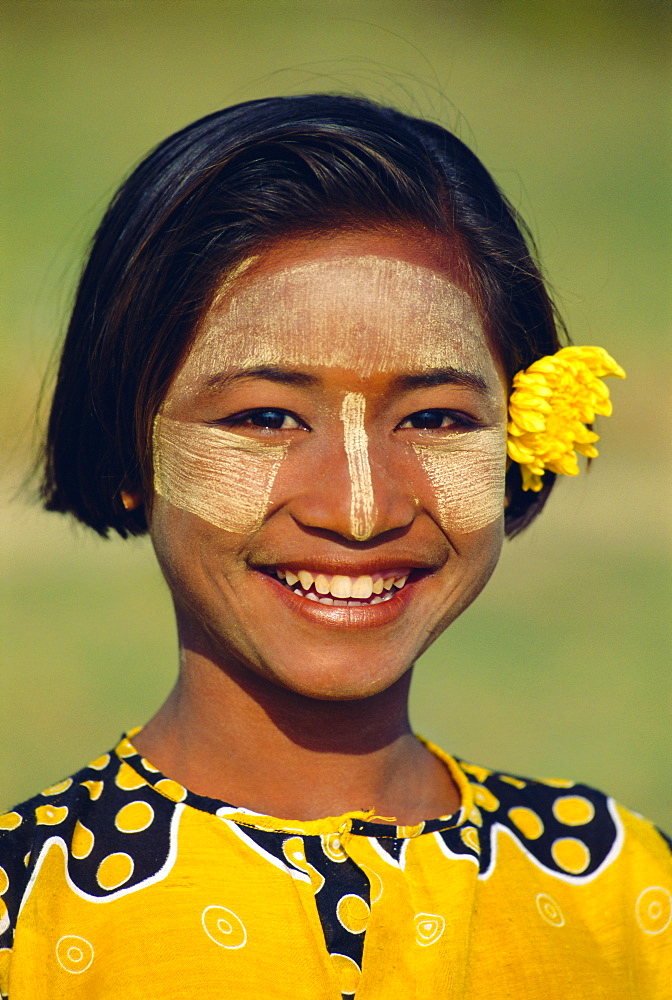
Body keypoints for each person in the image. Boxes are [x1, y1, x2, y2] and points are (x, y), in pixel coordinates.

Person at [0, 94, 669, 999]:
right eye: (265, 417)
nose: (360, 510)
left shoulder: (625, 896)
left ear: (521, 443)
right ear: (129, 443)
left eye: (435, 418)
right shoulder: (26, 920)